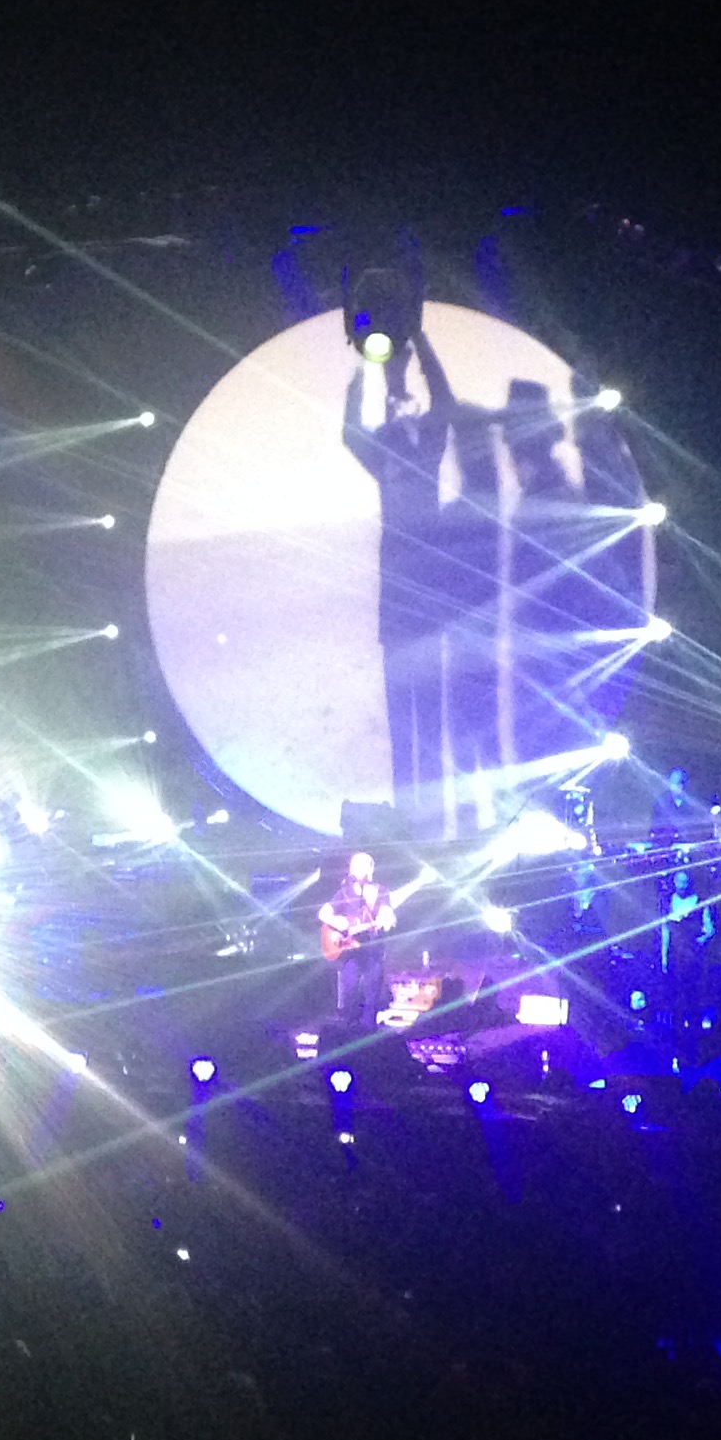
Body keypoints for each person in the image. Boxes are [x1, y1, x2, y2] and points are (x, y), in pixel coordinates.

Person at [343, 340, 457, 823]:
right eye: (393, 401)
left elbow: (445, 401)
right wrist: (363, 370)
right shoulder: (384, 454)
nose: (399, 403)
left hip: (429, 598)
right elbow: (351, 432)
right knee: (401, 718)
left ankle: (431, 812)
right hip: (397, 603)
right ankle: (409, 813)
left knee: (430, 713)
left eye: (404, 397)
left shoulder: (429, 446)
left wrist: (424, 344)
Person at [317, 854, 397, 1029]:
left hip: (373, 949)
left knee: (372, 994)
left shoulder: (381, 891)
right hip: (350, 952)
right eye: (354, 865)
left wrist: (386, 918)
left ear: (370, 868)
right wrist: (339, 923)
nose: (356, 869)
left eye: (361, 865)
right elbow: (323, 913)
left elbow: (386, 912)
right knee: (349, 992)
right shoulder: (345, 892)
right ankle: (348, 1028)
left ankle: (369, 1030)